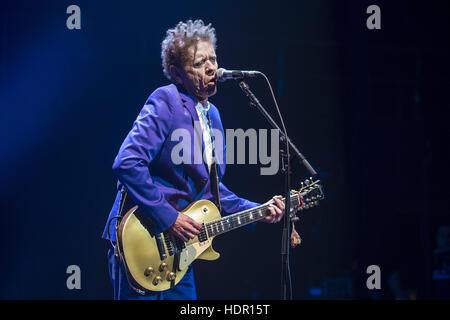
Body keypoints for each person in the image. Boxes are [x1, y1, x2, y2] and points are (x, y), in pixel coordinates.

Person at [102, 19, 296, 300]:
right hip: (143, 243)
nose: (211, 68)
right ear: (176, 73)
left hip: (179, 255)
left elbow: (213, 193)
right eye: (199, 63)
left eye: (213, 59)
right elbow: (127, 162)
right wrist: (169, 218)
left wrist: (261, 209)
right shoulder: (166, 100)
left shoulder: (213, 115)